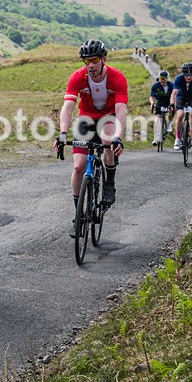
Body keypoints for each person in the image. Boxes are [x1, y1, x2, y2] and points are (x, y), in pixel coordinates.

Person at [53, 39, 127, 238]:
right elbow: (68, 107)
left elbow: (121, 109)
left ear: (104, 59)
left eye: (94, 60)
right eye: (86, 62)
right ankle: (79, 214)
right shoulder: (77, 77)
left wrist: (118, 137)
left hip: (109, 118)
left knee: (107, 141)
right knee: (78, 167)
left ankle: (109, 184)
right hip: (86, 119)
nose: (91, 66)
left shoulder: (117, 77)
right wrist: (62, 133)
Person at [170, 62, 192, 150]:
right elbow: (174, 93)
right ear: (183, 74)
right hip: (181, 97)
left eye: (191, 74)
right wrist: (172, 103)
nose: (188, 77)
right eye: (186, 75)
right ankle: (177, 139)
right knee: (180, 115)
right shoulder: (178, 78)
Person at [149, 70, 174, 146]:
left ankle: (169, 124)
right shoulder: (155, 86)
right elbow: (152, 97)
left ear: (167, 79)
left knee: (172, 112)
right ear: (159, 78)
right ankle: (156, 138)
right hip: (160, 102)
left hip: (169, 102)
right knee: (157, 119)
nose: (162, 80)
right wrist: (152, 103)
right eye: (161, 78)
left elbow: (175, 95)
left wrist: (173, 104)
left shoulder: (172, 85)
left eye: (164, 78)